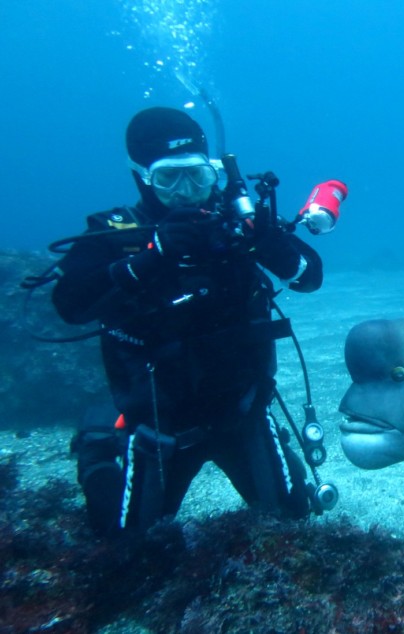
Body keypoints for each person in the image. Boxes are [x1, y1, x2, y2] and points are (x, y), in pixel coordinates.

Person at [54, 107, 340, 536]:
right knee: (122, 546)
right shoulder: (116, 233)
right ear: (143, 177)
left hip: (242, 411)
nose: (187, 192)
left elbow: (309, 278)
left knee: (291, 523)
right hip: (157, 424)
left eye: (197, 176)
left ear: (214, 174)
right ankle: (98, 447)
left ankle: (276, 453)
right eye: (170, 178)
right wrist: (151, 257)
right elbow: (71, 305)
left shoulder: (238, 226)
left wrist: (270, 247)